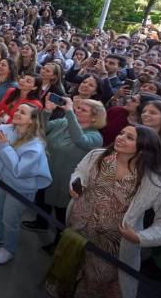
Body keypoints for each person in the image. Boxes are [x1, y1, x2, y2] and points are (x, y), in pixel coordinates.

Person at [65, 125, 161, 297]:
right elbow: (80, 171)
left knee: (96, 286)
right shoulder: (97, 156)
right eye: (121, 133)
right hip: (77, 230)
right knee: (69, 270)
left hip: (111, 249)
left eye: (129, 137)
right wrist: (77, 182)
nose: (120, 137)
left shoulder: (153, 182)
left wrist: (140, 237)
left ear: (144, 147)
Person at [23, 96, 105, 252]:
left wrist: (69, 113)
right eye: (77, 107)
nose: (77, 110)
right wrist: (47, 111)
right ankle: (41, 223)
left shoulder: (96, 137)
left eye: (83, 109)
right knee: (42, 199)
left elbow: (80, 140)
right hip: (47, 171)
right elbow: (40, 129)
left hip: (66, 182)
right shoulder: (63, 123)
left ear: (94, 118)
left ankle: (59, 243)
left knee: (62, 215)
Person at [0, 103, 52, 265]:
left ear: (32, 120)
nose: (17, 113)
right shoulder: (6, 128)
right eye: (17, 110)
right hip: (1, 179)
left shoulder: (35, 145)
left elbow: (18, 170)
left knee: (10, 219)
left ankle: (9, 249)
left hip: (20, 189)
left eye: (23, 112)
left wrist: (4, 148)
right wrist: (4, 152)